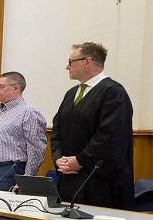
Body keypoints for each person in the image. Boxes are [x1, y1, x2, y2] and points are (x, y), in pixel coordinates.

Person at [51, 42, 135, 209]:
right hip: (69, 177)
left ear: (87, 62)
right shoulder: (71, 94)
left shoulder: (113, 92)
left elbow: (110, 135)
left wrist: (80, 160)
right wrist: (59, 159)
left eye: (71, 62)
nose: (67, 67)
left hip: (99, 181)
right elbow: (57, 128)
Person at [0, 71, 47, 191]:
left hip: (11, 169)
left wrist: (26, 180)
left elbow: (36, 150)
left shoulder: (29, 112)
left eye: (0, 86)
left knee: (1, 202)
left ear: (15, 88)